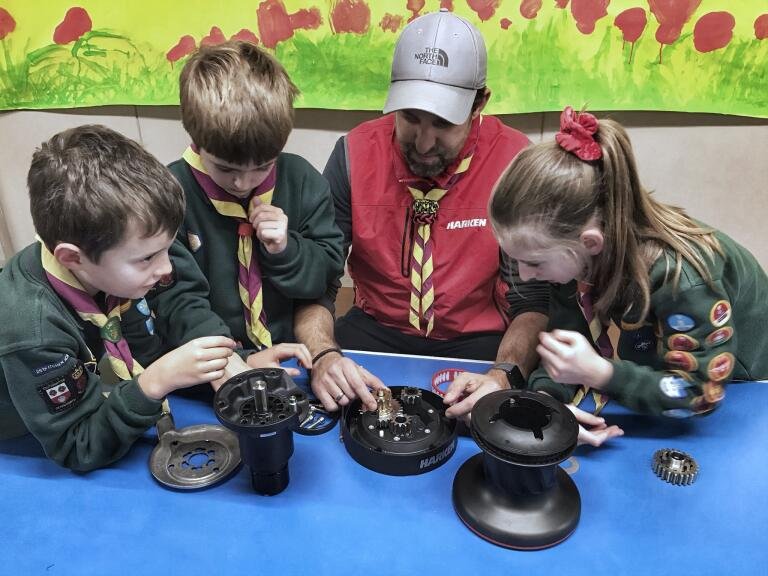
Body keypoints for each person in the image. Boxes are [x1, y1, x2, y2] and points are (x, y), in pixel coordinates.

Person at [0, 125, 299, 471]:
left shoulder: (115, 265)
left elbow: (145, 348)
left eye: (166, 249)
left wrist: (236, 361)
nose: (167, 269)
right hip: (22, 445)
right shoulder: (32, 330)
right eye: (147, 258)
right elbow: (77, 446)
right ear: (72, 258)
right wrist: (155, 382)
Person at [297, 8, 550, 415]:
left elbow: (531, 300)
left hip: (477, 340)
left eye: (443, 123)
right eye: (410, 118)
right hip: (375, 329)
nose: (425, 143)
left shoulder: (515, 160)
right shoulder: (352, 154)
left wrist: (502, 375)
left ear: (479, 102)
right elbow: (318, 284)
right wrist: (325, 356)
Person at [488, 106, 768, 440]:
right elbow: (563, 345)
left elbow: (700, 392)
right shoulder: (570, 256)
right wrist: (550, 404)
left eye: (534, 263)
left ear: (590, 243)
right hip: (651, 369)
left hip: (742, 388)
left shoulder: (683, 277)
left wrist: (603, 374)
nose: (525, 275)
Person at [163, 40, 343, 375]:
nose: (243, 184)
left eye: (262, 166)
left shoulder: (302, 180)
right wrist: (233, 362)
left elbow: (325, 279)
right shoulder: (169, 195)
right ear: (196, 140)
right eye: (226, 169)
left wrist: (286, 251)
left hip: (294, 359)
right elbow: (178, 302)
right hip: (210, 365)